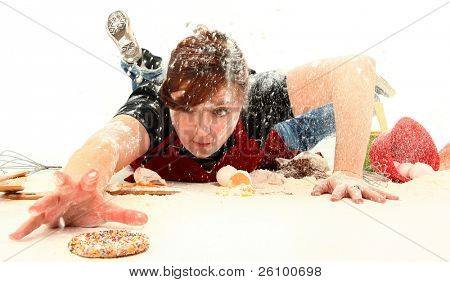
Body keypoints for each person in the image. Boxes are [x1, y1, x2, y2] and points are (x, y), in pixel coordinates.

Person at [9, 10, 398, 240]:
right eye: (187, 110)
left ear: (242, 101)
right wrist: (80, 186)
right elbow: (109, 141)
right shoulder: (155, 109)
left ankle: (372, 98)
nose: (203, 131)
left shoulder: (258, 98)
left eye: (219, 112)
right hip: (165, 86)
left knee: (327, 115)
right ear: (168, 104)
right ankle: (141, 64)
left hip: (282, 140)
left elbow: (356, 67)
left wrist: (347, 169)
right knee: (151, 81)